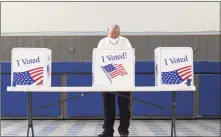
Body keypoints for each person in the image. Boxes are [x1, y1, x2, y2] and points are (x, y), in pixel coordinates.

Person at [97, 25, 132, 137]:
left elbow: (131, 58)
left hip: (123, 78)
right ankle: (108, 130)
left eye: (116, 35)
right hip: (106, 78)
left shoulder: (125, 42)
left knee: (124, 106)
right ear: (108, 33)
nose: (113, 37)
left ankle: (123, 131)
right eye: (111, 35)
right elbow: (97, 58)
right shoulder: (102, 42)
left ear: (119, 33)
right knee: (108, 106)